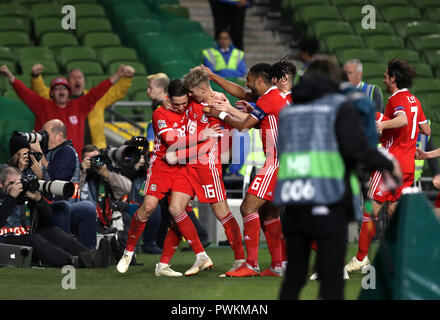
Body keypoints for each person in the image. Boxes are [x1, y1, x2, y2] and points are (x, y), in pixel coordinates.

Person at [275, 55, 402, 300]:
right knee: (331, 278)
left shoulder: (288, 113)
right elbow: (357, 148)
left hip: (292, 204)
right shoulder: (340, 107)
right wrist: (388, 164)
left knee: (294, 277)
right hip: (328, 201)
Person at [116, 79, 218, 276]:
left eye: (183, 103)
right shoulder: (160, 113)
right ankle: (128, 251)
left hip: (183, 166)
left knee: (178, 212)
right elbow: (171, 140)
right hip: (162, 164)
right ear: (169, 99)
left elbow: (211, 97)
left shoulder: (191, 107)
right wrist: (201, 135)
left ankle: (166, 265)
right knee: (148, 207)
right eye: (176, 104)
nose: (180, 108)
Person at [346, 58, 431, 274]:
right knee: (395, 211)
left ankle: (360, 258)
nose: (384, 80)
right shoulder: (414, 100)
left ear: (393, 79)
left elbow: (402, 120)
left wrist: (383, 124)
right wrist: (398, 131)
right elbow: (426, 130)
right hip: (408, 167)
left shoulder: (396, 99)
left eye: (386, 76)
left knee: (369, 209)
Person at [205, 63, 291, 277]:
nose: (247, 83)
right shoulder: (275, 97)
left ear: (260, 81)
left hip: (277, 162)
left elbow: (243, 126)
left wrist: (220, 114)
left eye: (250, 80)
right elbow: (243, 96)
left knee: (247, 207)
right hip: (283, 161)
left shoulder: (269, 99)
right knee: (269, 212)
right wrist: (213, 76)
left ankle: (251, 265)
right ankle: (279, 265)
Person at [162, 66, 246, 276]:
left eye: (192, 91)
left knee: (222, 213)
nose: (189, 95)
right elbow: (178, 96)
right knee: (175, 208)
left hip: (207, 166)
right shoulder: (194, 100)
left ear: (202, 88)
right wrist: (167, 102)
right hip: (189, 166)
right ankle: (201, 256)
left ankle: (240, 259)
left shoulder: (217, 103)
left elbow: (214, 142)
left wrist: (178, 155)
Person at [0, 64, 129, 156]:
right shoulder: (43, 106)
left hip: (75, 162)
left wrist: (117, 75)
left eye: (64, 88)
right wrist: (10, 75)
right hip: (47, 161)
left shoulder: (79, 106)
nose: (61, 90)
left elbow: (96, 93)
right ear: (51, 93)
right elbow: (24, 92)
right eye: (57, 88)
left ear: (68, 92)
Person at [0, 165, 111, 268]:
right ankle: (73, 261)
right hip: (4, 242)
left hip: (24, 240)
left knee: (54, 232)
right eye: (13, 183)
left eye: (19, 183)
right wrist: (10, 198)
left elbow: (48, 224)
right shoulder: (6, 199)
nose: (17, 187)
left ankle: (92, 256)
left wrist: (39, 200)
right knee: (34, 239)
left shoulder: (23, 198)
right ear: (1, 184)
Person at [30, 63, 134, 149]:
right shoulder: (59, 99)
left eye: (80, 77)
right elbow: (41, 91)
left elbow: (117, 92)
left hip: (95, 150)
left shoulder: (96, 98)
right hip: (71, 151)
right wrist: (36, 77)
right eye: (73, 78)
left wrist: (126, 78)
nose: (77, 80)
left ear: (84, 81)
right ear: (67, 82)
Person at [30, 119, 98, 249]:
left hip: (59, 204)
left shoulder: (66, 151)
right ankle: (68, 252)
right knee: (64, 206)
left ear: (59, 136)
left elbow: (55, 178)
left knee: (87, 207)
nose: (42, 136)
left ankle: (87, 253)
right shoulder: (46, 152)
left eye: (45, 133)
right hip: (40, 204)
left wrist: (39, 153)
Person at [79, 144, 132, 233]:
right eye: (90, 160)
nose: (95, 162)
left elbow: (127, 187)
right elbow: (76, 192)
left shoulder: (106, 174)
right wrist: (82, 172)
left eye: (97, 159)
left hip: (107, 216)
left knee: (125, 217)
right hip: (91, 217)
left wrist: (107, 174)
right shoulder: (80, 175)